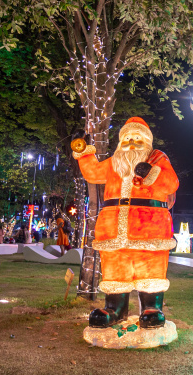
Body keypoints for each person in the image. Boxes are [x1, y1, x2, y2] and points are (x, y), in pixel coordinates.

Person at [73, 116, 179, 329]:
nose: (132, 142)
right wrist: (83, 152)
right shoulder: (114, 163)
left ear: (147, 142)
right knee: (114, 267)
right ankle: (114, 309)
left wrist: (151, 173)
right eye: (127, 138)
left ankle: (152, 308)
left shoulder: (157, 160)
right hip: (113, 224)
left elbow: (171, 182)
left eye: (137, 138)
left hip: (150, 226)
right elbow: (92, 173)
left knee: (150, 267)